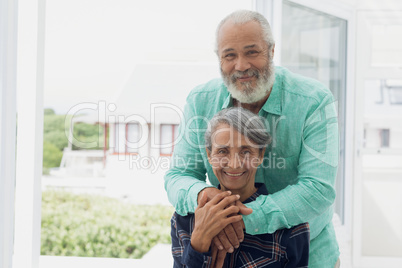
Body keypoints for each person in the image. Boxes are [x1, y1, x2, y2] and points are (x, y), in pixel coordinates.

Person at [165, 9, 340, 268]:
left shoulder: (314, 102)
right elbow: (178, 176)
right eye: (230, 55)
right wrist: (205, 195)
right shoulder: (200, 100)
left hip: (307, 254)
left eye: (251, 52)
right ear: (219, 59)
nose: (241, 65)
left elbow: (318, 189)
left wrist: (237, 219)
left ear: (271, 51)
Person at [171, 107, 310, 267]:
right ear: (209, 155)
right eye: (222, 151)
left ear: (260, 155)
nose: (234, 164)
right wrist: (198, 242)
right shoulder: (184, 220)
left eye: (245, 151)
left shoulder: (290, 227)